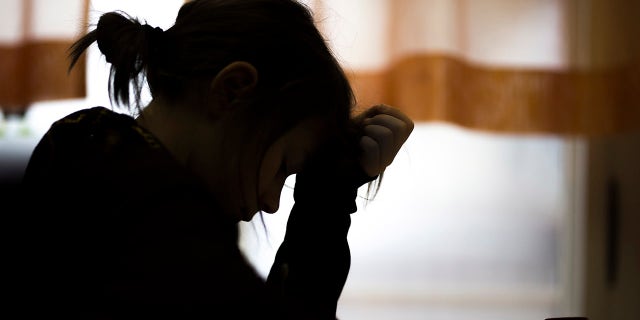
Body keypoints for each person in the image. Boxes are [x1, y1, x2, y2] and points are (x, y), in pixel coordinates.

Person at [16, 0, 413, 319]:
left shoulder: (82, 144)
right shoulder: (161, 217)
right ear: (232, 89)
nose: (273, 201)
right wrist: (325, 204)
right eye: (282, 168)